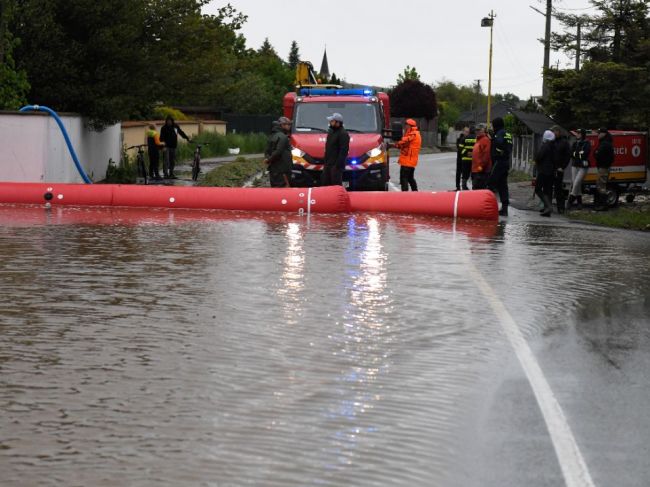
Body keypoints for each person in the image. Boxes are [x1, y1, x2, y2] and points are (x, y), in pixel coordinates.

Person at [487, 117, 513, 216]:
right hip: (506, 162)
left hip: (499, 161)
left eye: (493, 125)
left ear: (496, 125)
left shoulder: (500, 133)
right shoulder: (508, 134)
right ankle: (504, 208)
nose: (493, 127)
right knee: (503, 185)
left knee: (490, 183)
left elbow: (499, 142)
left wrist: (493, 137)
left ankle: (486, 206)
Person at [264, 117, 293, 188]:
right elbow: (278, 151)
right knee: (284, 189)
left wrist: (268, 159)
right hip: (283, 169)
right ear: (282, 125)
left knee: (275, 188)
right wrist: (269, 159)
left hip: (274, 168)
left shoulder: (272, 136)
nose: (289, 126)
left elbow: (267, 151)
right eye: (288, 124)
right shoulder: (283, 137)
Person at [322, 113, 350, 186]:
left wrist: (337, 165)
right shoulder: (331, 132)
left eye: (332, 121)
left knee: (336, 185)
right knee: (326, 183)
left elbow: (344, 151)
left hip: (336, 166)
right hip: (328, 164)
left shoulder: (343, 134)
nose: (330, 122)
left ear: (338, 123)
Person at [394, 118, 422, 191]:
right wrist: (397, 145)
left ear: (410, 126)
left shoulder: (413, 134)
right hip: (409, 161)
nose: (405, 126)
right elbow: (404, 145)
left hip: (408, 161)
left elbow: (404, 140)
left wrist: (397, 141)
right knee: (410, 178)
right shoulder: (412, 133)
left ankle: (405, 195)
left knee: (404, 179)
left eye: (406, 125)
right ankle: (415, 192)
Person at [567, 129, 591, 210]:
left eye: (579, 133)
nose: (577, 134)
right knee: (576, 184)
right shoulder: (575, 143)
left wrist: (576, 154)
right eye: (577, 133)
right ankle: (579, 203)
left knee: (577, 183)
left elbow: (585, 154)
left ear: (583, 134)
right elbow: (571, 153)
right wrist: (579, 154)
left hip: (583, 166)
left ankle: (570, 200)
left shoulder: (587, 143)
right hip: (574, 165)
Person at [534, 130, 556, 217]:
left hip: (543, 170)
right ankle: (547, 209)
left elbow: (539, 157)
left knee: (538, 189)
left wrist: (536, 159)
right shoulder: (553, 146)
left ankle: (549, 206)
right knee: (547, 190)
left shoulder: (545, 146)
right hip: (551, 171)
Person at [551, 126, 571, 214]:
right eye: (552, 132)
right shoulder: (551, 141)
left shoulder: (564, 142)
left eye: (554, 131)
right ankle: (547, 206)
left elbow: (568, 156)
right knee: (548, 188)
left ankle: (561, 207)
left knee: (558, 189)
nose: (553, 133)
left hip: (559, 169)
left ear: (559, 132)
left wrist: (562, 167)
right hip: (550, 168)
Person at [594, 127, 614, 211]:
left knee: (601, 186)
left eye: (599, 133)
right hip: (603, 167)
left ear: (604, 134)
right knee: (601, 185)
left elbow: (598, 154)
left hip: (603, 167)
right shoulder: (605, 143)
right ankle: (601, 204)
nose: (597, 135)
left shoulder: (605, 144)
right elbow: (596, 153)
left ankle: (603, 205)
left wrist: (596, 153)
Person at [471, 124, 491, 190]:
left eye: (479, 130)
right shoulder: (478, 140)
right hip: (476, 170)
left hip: (481, 171)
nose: (477, 131)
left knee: (479, 191)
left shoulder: (485, 140)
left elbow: (486, 156)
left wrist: (481, 167)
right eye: (476, 130)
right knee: (476, 190)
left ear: (484, 131)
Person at [456, 126, 470, 191]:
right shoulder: (459, 139)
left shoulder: (469, 139)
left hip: (466, 159)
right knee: (458, 172)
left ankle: (464, 186)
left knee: (465, 173)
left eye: (468, 132)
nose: (466, 133)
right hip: (460, 158)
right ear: (463, 131)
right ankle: (458, 187)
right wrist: (466, 152)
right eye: (466, 131)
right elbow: (459, 149)